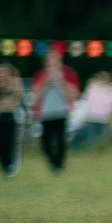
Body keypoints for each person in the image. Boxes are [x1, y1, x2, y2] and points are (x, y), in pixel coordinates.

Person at [29, 43, 79, 175]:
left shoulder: (68, 73)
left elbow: (74, 93)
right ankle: (53, 163)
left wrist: (60, 82)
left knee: (61, 140)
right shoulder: (40, 74)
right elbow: (35, 95)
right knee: (45, 141)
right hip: (45, 113)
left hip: (62, 112)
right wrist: (46, 81)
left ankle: (59, 165)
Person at [0, 62, 27, 177]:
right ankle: (4, 166)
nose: (1, 74)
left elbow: (18, 98)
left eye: (4, 71)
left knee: (11, 141)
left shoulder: (15, 82)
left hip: (12, 116)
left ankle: (12, 166)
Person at [74, 71, 112, 151]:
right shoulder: (92, 88)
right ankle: (90, 149)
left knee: (102, 136)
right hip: (93, 115)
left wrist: (111, 114)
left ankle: (102, 149)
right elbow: (86, 100)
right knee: (91, 135)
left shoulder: (109, 90)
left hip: (104, 117)